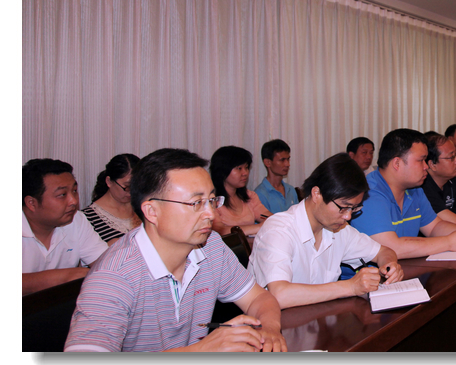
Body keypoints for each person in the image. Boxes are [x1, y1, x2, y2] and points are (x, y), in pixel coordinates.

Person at [65, 148, 286, 352]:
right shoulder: (114, 276)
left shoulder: (211, 246)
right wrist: (201, 351)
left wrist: (269, 329)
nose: (211, 214)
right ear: (152, 211)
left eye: (211, 200)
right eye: (196, 203)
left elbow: (259, 299)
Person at [248, 153, 404, 309]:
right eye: (343, 207)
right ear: (317, 194)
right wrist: (350, 287)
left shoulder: (339, 230)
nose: (348, 216)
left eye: (354, 208)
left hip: (319, 317)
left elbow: (383, 251)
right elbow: (279, 295)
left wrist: (389, 266)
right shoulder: (278, 231)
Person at [346, 129, 456, 272]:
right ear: (397, 163)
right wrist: (448, 242)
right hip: (367, 280)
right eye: (421, 160)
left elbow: (434, 227)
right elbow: (392, 247)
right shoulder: (368, 193)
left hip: (404, 272)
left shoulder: (414, 190)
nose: (426, 166)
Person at [22, 159, 108, 296]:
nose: (73, 201)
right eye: (62, 195)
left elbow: (108, 266)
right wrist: (65, 277)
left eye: (74, 191)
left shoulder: (76, 219)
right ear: (31, 203)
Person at [209, 146, 272, 237]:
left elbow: (267, 216)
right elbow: (220, 230)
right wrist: (259, 227)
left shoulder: (249, 196)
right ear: (222, 171)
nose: (245, 173)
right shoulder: (212, 201)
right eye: (239, 168)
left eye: (246, 168)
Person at [82, 154, 141, 245]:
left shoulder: (144, 209)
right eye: (127, 186)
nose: (132, 192)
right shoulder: (87, 218)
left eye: (137, 186)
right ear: (109, 181)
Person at [254, 139, 299, 213]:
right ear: (267, 162)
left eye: (288, 159)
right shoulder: (259, 194)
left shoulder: (290, 190)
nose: (287, 164)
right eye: (282, 160)